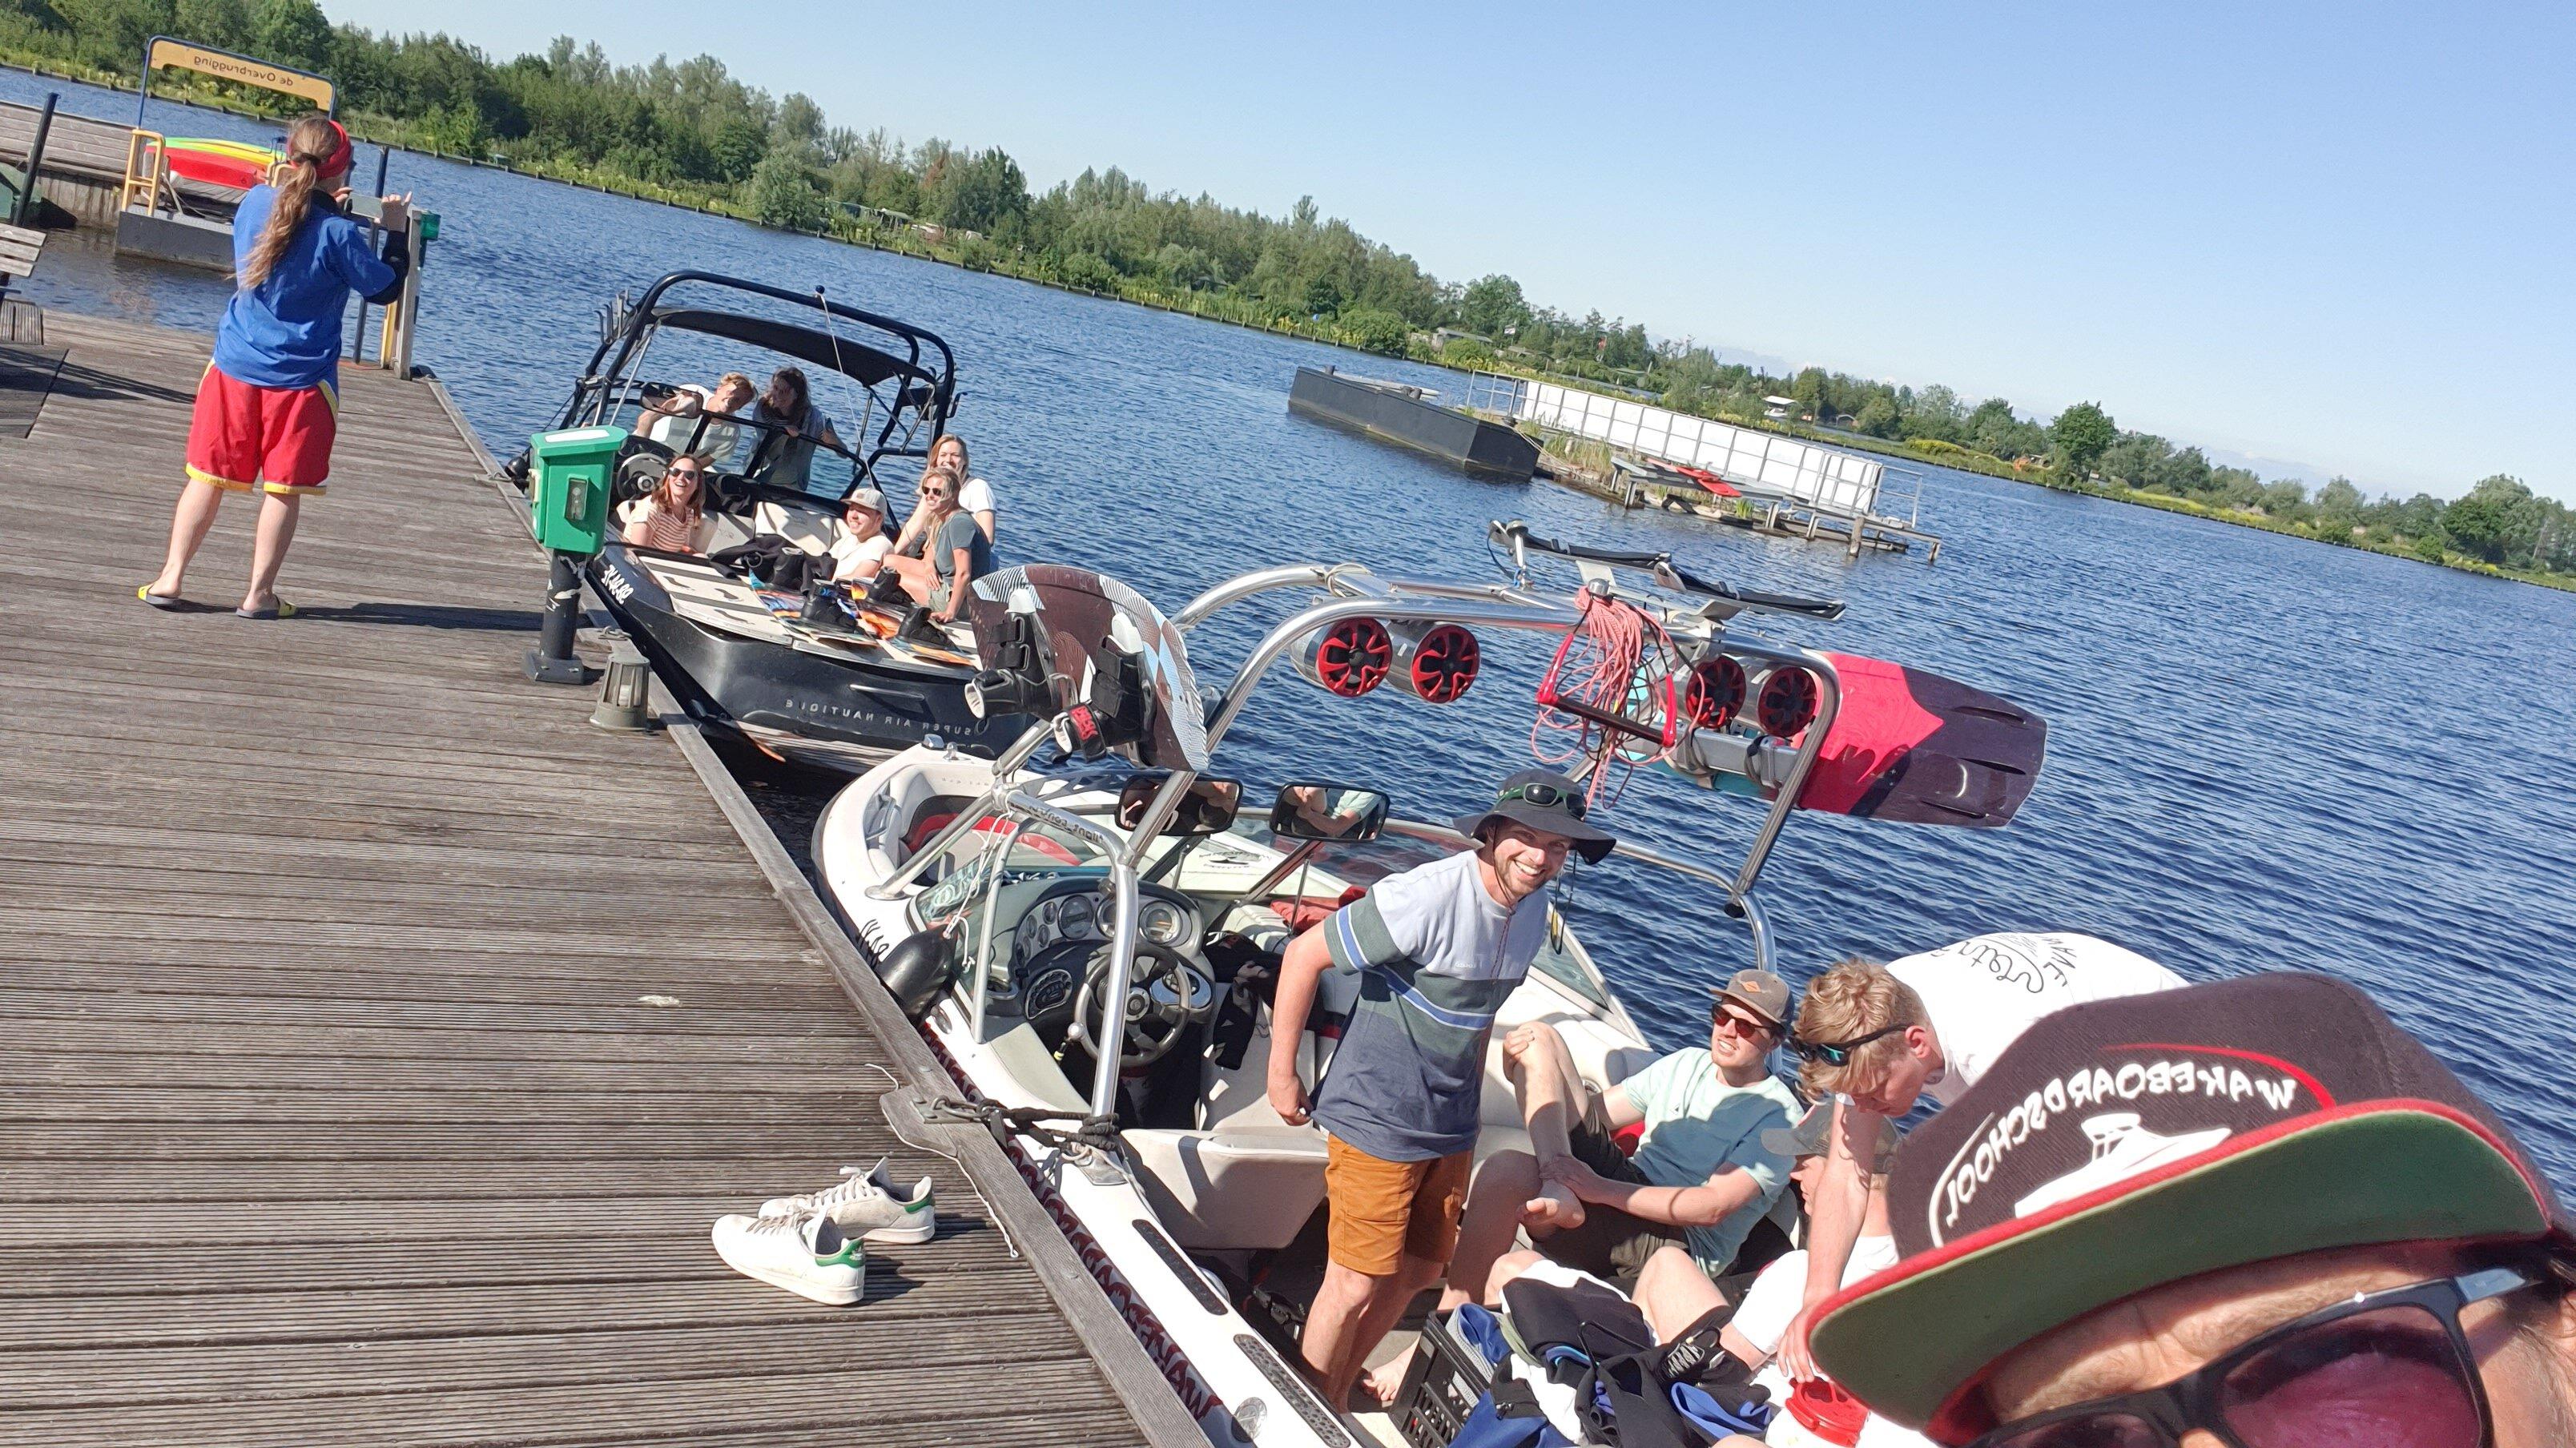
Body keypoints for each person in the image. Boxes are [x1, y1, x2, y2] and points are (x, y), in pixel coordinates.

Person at [1803, 972, 2576, 1447]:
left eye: (2332, 1378)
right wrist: (1816, 1298)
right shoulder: (1879, 1034)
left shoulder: (1996, 1038)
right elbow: (1846, 1162)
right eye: (2082, 1446)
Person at [1267, 770, 1617, 1409]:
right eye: (1525, 837)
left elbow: (1479, 1020)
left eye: (1559, 847)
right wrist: (1281, 1071)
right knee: (1353, 1282)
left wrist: (1467, 1122)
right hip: (1378, 1116)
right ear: (1490, 834)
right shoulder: (1426, 895)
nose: (1539, 858)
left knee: (1423, 1270)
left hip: (1451, 1126)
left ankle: (1338, 1397)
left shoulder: (1534, 908)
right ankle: (1299, 1416)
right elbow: (1303, 955)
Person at [1774, 933, 2184, 1382]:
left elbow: (2040, 1190)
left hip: (2166, 1054)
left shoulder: (1995, 1049)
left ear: (1917, 1043)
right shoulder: (1877, 1012)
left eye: (1872, 1092)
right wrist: (1817, 1299)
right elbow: (1848, 1169)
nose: (1865, 1107)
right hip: (2071, 1047)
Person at [142, 115, 411, 619]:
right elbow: (385, 289)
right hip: (301, 382)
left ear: (291, 156)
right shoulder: (338, 233)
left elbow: (287, 226)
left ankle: (170, 578)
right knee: (282, 490)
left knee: (207, 476)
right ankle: (258, 595)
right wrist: (394, 234)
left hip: (233, 366)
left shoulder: (255, 202)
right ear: (340, 170)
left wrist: (330, 205)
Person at [1441, 968, 1800, 1313]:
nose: (1728, 1032)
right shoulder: (1688, 1063)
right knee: (1537, 1038)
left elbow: (1711, 1207)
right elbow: (1591, 1112)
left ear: (1775, 1041)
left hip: (1675, 1244)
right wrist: (1523, 1070)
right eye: (1722, 1016)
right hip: (1624, 1184)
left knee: (1508, 1171)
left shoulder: (1781, 1118)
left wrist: (1597, 1189)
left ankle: (1559, 1190)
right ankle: (1553, 1188)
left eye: (1747, 1027)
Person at [879, 466, 992, 624]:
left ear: (953, 495)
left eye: (937, 492)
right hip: (943, 581)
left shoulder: (959, 523)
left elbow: (964, 573)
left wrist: (950, 613)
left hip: (957, 598)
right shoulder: (941, 518)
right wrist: (929, 567)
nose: (930, 496)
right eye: (927, 490)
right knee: (889, 561)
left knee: (890, 578)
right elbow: (932, 548)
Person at [742, 366, 842, 493]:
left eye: (785, 391)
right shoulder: (763, 408)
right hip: (757, 474)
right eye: (776, 388)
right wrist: (783, 432)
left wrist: (834, 441)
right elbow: (765, 444)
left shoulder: (814, 419)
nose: (778, 395)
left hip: (792, 484)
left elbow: (842, 453)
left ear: (797, 395)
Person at [894, 433, 998, 549]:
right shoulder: (932, 489)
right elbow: (914, 525)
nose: (948, 460)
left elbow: (988, 538)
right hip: (936, 555)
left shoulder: (978, 488)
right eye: (943, 455)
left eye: (955, 455)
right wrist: (894, 554)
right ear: (936, 460)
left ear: (964, 461)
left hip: (967, 559)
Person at [636, 371, 754, 464]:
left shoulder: (732, 431)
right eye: (730, 393)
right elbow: (647, 418)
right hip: (644, 447)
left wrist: (678, 471)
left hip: (675, 465)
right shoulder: (693, 392)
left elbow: (709, 459)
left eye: (738, 400)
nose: (731, 399)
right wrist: (676, 408)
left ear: (740, 407)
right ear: (719, 389)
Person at [622, 456, 711, 553]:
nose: (681, 478)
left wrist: (699, 558)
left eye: (689, 475)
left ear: (698, 483)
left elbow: (680, 548)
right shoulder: (650, 510)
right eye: (675, 472)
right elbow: (637, 555)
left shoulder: (688, 515)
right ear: (668, 476)